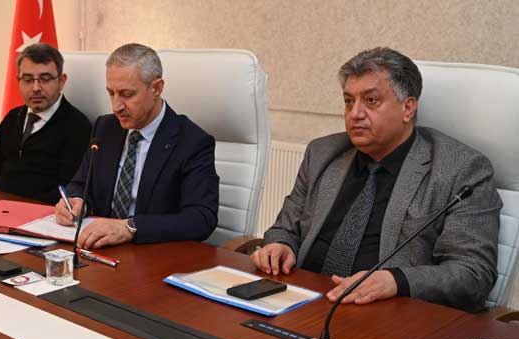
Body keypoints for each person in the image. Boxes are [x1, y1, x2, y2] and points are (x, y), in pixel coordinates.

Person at [251, 47, 501, 312]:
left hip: (388, 314)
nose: (355, 114)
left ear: (408, 108)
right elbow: (285, 227)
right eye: (349, 101)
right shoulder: (322, 153)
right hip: (303, 301)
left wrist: (396, 281)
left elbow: (473, 274)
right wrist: (280, 245)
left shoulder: (460, 169)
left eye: (371, 101)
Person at [55, 43, 219, 248]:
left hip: (153, 253)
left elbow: (201, 218)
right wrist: (77, 201)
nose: (116, 106)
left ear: (156, 88)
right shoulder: (105, 127)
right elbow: (81, 184)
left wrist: (130, 227)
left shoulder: (192, 141)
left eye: (127, 94)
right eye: (111, 93)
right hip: (100, 247)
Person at [0, 44, 92, 204]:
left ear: (61, 81)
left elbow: (67, 190)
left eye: (45, 79)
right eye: (28, 80)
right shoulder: (13, 117)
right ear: (18, 81)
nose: (36, 88)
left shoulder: (77, 126)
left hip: (39, 213)